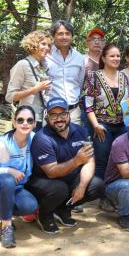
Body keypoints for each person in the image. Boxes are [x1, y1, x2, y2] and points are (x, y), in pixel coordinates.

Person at [27, 97, 104, 234]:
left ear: (69, 114)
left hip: (69, 178)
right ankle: (44, 214)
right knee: (59, 189)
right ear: (47, 117)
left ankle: (62, 209)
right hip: (43, 181)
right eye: (53, 115)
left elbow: (89, 161)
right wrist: (76, 160)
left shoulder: (80, 131)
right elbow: (51, 172)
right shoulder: (42, 138)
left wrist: (81, 186)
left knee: (96, 185)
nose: (59, 119)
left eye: (62, 113)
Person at [83, 44, 129, 179]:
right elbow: (88, 105)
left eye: (118, 56)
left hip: (122, 126)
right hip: (102, 126)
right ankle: (101, 193)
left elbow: (128, 103)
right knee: (102, 160)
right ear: (103, 58)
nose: (116, 58)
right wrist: (96, 125)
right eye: (112, 56)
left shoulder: (124, 77)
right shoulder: (94, 77)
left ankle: (115, 190)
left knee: (121, 159)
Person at [0, 106, 39, 248]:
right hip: (3, 185)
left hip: (18, 188)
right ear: (14, 122)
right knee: (7, 180)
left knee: (30, 206)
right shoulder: (3, 143)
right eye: (20, 120)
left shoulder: (36, 139)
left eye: (30, 120)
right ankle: (6, 227)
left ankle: (3, 213)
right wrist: (10, 170)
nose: (25, 123)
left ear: (35, 123)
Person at [5, 31, 52, 130]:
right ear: (33, 44)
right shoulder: (22, 65)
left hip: (42, 120)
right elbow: (9, 97)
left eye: (49, 45)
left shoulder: (44, 66)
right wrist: (34, 89)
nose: (47, 48)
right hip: (26, 121)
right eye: (43, 44)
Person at [46, 20, 85, 124]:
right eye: (60, 34)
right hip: (52, 111)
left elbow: (79, 83)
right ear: (53, 36)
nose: (64, 37)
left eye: (67, 34)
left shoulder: (79, 58)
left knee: (74, 140)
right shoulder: (46, 55)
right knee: (50, 140)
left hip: (73, 112)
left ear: (72, 36)